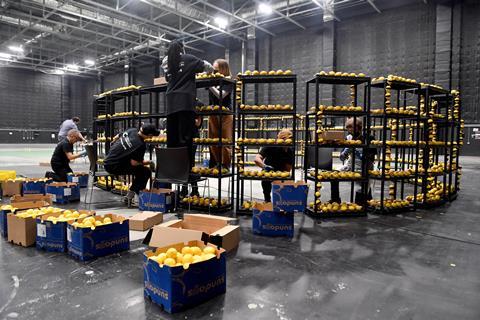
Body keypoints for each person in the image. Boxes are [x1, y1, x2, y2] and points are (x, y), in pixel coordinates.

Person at [161, 40, 213, 170]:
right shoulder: (189, 58)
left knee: (172, 138)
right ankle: (187, 169)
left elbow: (168, 78)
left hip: (171, 101)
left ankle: (173, 170)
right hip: (185, 101)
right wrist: (206, 74)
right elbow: (209, 67)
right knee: (186, 137)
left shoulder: (167, 62)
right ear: (182, 48)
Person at [103, 123, 159, 207]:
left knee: (141, 170)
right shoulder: (140, 145)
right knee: (145, 172)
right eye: (151, 136)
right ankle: (134, 198)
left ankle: (130, 196)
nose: (151, 138)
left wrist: (116, 146)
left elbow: (118, 136)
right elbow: (134, 163)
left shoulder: (132, 130)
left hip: (108, 161)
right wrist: (150, 162)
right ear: (149, 135)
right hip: (114, 167)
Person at [331, 117, 375, 204]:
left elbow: (371, 157)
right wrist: (345, 152)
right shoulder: (349, 138)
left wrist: (356, 151)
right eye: (348, 128)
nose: (349, 131)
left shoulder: (369, 138)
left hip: (363, 167)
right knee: (333, 177)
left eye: (351, 128)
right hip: (350, 165)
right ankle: (335, 200)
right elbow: (341, 158)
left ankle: (367, 199)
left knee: (360, 198)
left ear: (359, 127)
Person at [254, 129, 295, 202]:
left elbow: (287, 169)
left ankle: (280, 203)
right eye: (283, 138)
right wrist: (264, 166)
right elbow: (257, 159)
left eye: (289, 139)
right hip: (268, 172)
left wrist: (282, 178)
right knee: (266, 183)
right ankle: (267, 200)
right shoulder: (270, 145)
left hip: (281, 173)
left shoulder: (290, 151)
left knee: (280, 196)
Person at [208, 59, 233, 170]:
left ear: (223, 69)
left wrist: (209, 84)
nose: (213, 72)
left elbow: (221, 95)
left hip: (225, 113)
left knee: (225, 140)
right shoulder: (213, 80)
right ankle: (217, 163)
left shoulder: (228, 81)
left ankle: (225, 165)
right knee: (212, 140)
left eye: (216, 69)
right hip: (213, 112)